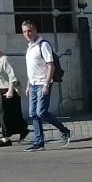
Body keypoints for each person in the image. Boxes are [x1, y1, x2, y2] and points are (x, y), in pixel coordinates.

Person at [21, 20, 73, 150]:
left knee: (41, 112)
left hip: (43, 83)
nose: (27, 34)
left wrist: (46, 84)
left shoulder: (43, 45)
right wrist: (28, 84)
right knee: (33, 114)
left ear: (35, 30)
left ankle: (64, 130)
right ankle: (39, 142)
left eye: (29, 31)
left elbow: (51, 65)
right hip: (33, 84)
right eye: (24, 32)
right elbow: (31, 69)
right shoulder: (30, 47)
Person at [0, 38, 28, 145]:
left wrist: (10, 91)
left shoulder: (5, 59)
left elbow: (12, 76)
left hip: (7, 90)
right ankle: (23, 129)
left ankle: (5, 138)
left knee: (4, 115)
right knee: (11, 114)